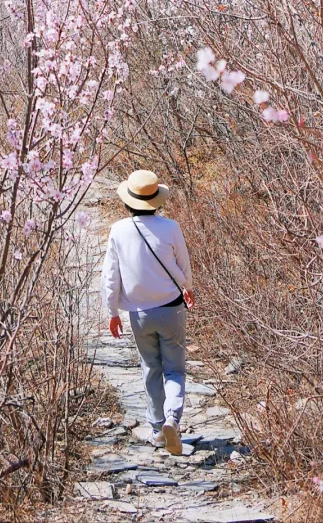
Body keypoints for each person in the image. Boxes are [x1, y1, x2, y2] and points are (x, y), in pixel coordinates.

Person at [101, 168, 194, 455]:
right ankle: (172, 420)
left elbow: (110, 276)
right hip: (171, 308)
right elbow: (184, 267)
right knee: (175, 369)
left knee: (151, 368)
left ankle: (156, 430)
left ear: (128, 201)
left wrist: (112, 311)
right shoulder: (171, 227)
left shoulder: (118, 230)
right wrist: (187, 287)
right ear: (158, 200)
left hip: (139, 314)